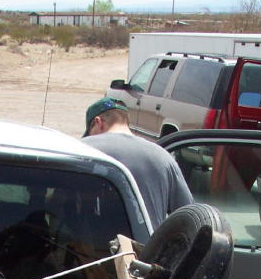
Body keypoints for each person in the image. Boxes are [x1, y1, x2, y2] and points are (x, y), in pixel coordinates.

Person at [82, 97, 193, 231]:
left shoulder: (81, 150)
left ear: (98, 122)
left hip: (87, 249)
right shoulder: (163, 157)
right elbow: (190, 217)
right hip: (147, 250)